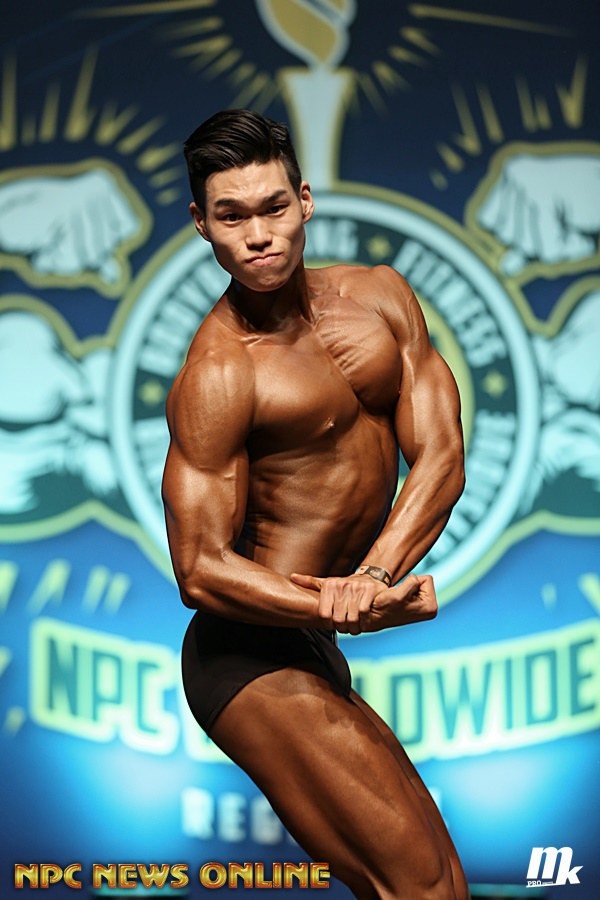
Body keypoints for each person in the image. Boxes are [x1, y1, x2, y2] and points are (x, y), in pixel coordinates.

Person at [162, 109, 468, 899]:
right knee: (424, 887)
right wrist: (336, 603)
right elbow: (199, 569)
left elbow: (442, 454)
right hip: (246, 656)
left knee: (432, 883)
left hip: (313, 640)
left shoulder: (381, 296)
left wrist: (371, 576)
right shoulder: (220, 371)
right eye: (232, 216)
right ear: (202, 224)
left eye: (272, 207)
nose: (258, 235)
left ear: (303, 200)